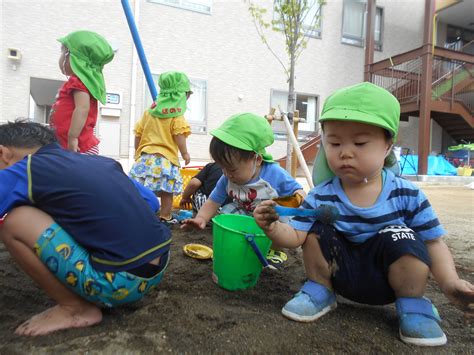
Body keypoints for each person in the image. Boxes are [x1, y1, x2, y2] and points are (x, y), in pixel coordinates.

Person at [254, 82, 474, 346]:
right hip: (339, 275)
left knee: (404, 236)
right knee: (317, 230)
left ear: (387, 145)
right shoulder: (321, 195)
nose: (345, 152)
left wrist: (450, 283)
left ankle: (413, 305)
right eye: (334, 143)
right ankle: (320, 291)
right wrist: (272, 228)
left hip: (390, 282)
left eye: (360, 142)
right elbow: (296, 236)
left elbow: (432, 242)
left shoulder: (407, 195)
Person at [0, 121, 171, 336]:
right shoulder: (97, 162)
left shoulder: (23, 170)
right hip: (157, 268)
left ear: (3, 153)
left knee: (16, 221)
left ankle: (75, 309)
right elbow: (151, 202)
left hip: (118, 283)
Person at [181, 112, 304, 230]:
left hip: (271, 218)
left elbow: (300, 193)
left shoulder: (274, 173)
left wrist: (289, 202)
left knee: (281, 217)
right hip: (247, 214)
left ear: (257, 160)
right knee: (226, 213)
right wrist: (201, 218)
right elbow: (213, 201)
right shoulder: (227, 178)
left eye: (232, 169)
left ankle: (275, 248)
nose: (226, 174)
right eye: (222, 167)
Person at [130, 71, 192, 225]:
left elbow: (138, 133)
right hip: (164, 159)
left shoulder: (150, 112)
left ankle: (142, 214)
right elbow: (179, 135)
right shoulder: (176, 115)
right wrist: (185, 153)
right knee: (166, 191)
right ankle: (165, 216)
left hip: (145, 157)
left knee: (144, 190)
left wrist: (137, 152)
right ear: (181, 96)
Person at [49, 30, 114, 154]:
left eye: (62, 51)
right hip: (70, 145)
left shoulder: (79, 81)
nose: (61, 56)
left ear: (71, 56)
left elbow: (82, 108)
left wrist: (73, 137)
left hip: (78, 146)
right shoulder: (78, 82)